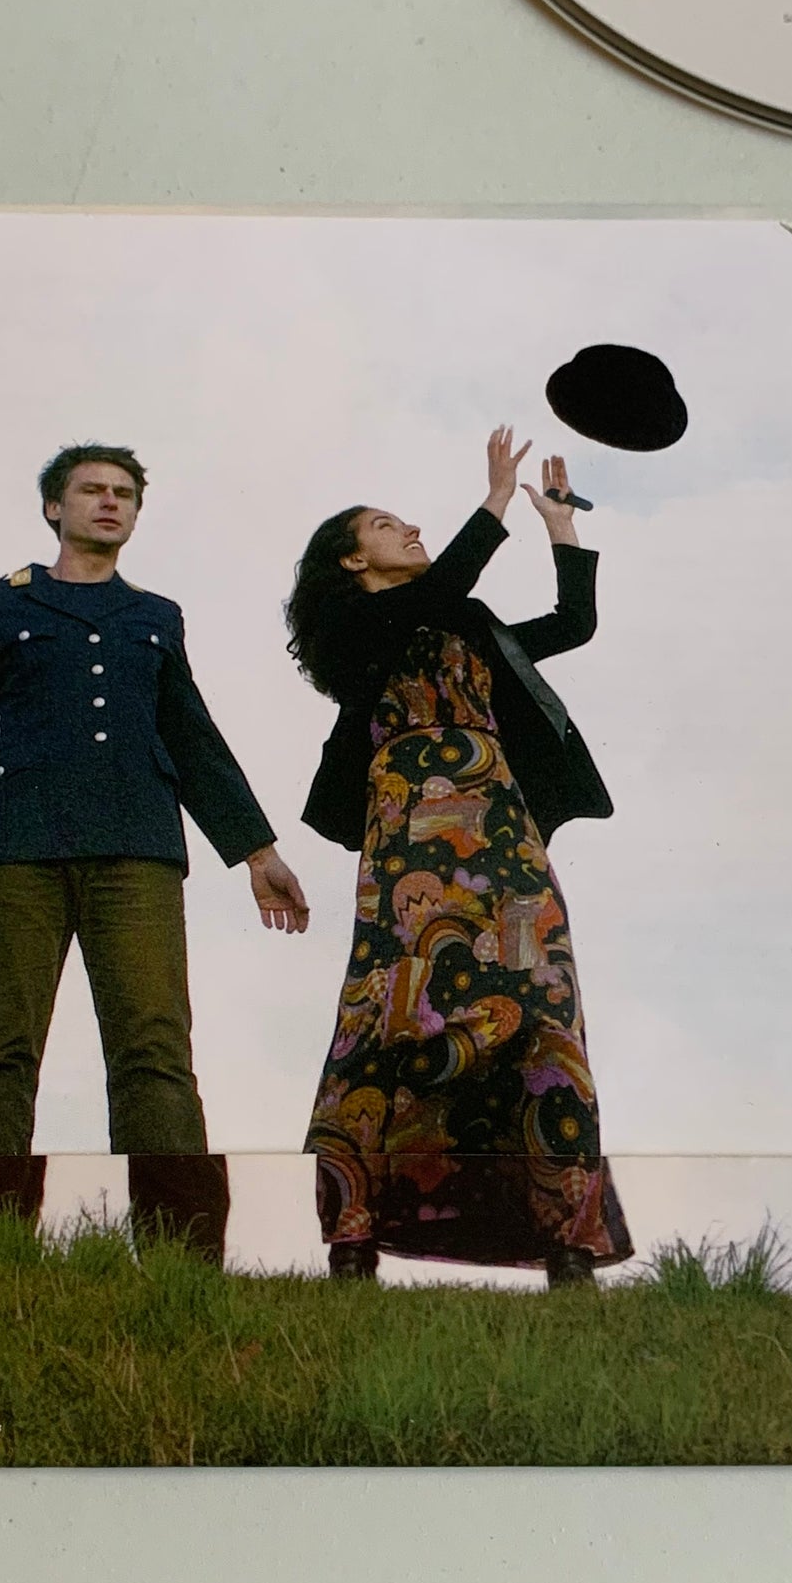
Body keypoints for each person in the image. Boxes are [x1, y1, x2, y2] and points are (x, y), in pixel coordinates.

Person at [0, 444, 311, 1263]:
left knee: (155, 1052)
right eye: (91, 490)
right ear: (55, 507)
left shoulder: (155, 616)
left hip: (138, 851)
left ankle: (181, 1263)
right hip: (18, 850)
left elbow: (190, 736)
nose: (110, 502)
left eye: (124, 493)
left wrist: (258, 852)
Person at [284, 427, 632, 1287]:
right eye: (384, 525)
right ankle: (356, 1237)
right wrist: (495, 500)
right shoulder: (352, 625)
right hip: (411, 835)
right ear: (351, 561)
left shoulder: (463, 620)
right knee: (403, 1003)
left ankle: (567, 1239)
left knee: (536, 991)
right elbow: (436, 590)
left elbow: (573, 625)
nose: (408, 529)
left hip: (502, 830)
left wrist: (559, 527)